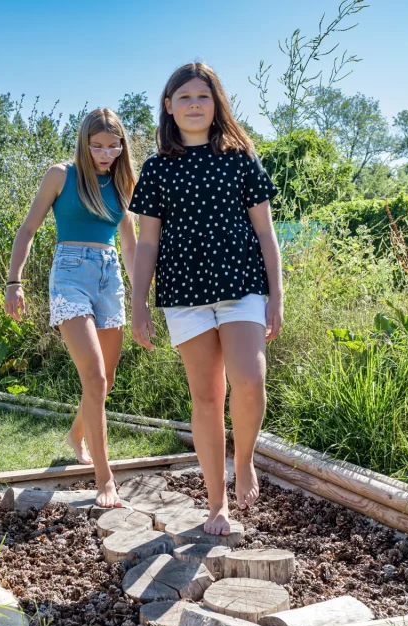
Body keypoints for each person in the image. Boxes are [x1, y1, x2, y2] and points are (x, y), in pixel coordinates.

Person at [129, 62, 284, 534]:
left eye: (203, 96)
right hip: (184, 294)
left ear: (215, 104)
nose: (194, 104)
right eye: (184, 97)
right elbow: (148, 241)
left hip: (242, 287)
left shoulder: (241, 157)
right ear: (169, 107)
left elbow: (266, 230)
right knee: (206, 396)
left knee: (249, 379)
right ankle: (217, 504)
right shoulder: (157, 168)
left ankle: (246, 460)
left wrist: (277, 294)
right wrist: (139, 302)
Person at [5, 108, 137, 508]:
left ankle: (77, 434)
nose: (105, 153)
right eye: (97, 146)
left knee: (106, 380)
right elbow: (28, 229)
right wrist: (15, 281)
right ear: (84, 143)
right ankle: (105, 478)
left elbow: (129, 244)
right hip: (69, 275)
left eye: (113, 145)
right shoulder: (60, 174)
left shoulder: (124, 180)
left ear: (122, 144)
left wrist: (142, 296)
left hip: (110, 276)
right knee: (94, 379)